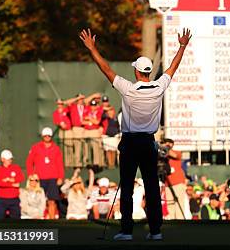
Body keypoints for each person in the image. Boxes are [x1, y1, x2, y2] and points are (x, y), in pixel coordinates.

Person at [79, 27, 191, 241]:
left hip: (130, 143)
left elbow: (105, 68)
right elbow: (172, 68)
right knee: (151, 188)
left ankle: (127, 231)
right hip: (149, 143)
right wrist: (182, 46)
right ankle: (156, 231)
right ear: (148, 71)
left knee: (127, 187)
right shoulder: (158, 87)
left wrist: (92, 48)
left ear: (137, 72)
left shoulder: (128, 88)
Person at [26, 127, 64, 220]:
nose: (47, 137)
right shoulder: (35, 147)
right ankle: (39, 218)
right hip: (39, 178)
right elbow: (29, 162)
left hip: (52, 178)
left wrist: (60, 177)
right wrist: (31, 175)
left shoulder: (56, 148)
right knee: (38, 200)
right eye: (45, 135)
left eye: (49, 136)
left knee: (52, 201)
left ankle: (51, 220)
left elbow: (60, 163)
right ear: (42, 136)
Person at [162, 138, 191, 220]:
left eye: (168, 143)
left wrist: (164, 148)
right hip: (168, 184)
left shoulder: (176, 153)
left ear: (172, 144)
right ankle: (172, 226)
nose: (166, 144)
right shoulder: (162, 156)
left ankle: (180, 225)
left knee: (179, 206)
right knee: (170, 206)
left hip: (178, 183)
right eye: (164, 143)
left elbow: (174, 155)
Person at [0, 149, 24, 219]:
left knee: (16, 220)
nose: (9, 161)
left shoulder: (16, 168)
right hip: (2, 200)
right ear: (2, 159)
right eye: (7, 159)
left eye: (10, 159)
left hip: (14, 199)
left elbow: (21, 178)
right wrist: (12, 184)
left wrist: (9, 180)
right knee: (0, 220)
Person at [101, 103, 120, 169]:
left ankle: (113, 164)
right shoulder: (105, 118)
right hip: (107, 137)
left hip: (114, 137)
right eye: (109, 111)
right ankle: (109, 165)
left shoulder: (116, 118)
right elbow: (101, 112)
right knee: (108, 151)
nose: (110, 112)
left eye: (111, 110)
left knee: (113, 151)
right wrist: (107, 109)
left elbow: (119, 127)